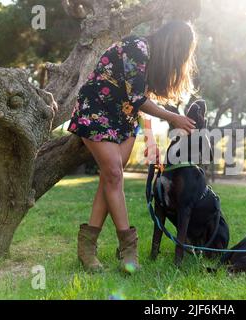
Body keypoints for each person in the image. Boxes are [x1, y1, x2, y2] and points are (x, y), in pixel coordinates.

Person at [66, 21, 197, 273]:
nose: (179, 59)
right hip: (96, 111)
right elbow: (137, 98)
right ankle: (128, 249)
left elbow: (138, 102)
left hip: (124, 120)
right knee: (114, 174)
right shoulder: (137, 47)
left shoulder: (151, 60)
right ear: (172, 42)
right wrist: (173, 118)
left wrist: (149, 139)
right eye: (180, 50)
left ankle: (86, 249)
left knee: (109, 178)